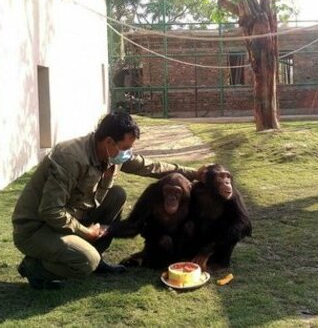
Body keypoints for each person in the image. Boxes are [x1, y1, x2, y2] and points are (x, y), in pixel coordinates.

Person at [12, 112, 201, 289]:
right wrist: (85, 232)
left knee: (117, 195)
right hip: (36, 228)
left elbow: (151, 166)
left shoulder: (111, 153)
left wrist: (196, 173)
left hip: (71, 215)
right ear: (109, 141)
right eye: (126, 148)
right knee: (87, 261)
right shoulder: (69, 157)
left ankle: (97, 258)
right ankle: (34, 267)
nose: (128, 153)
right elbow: (51, 210)